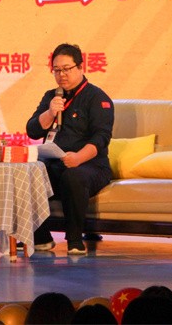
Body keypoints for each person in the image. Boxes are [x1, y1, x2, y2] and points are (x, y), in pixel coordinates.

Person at [26, 43, 113, 255]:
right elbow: (32, 130)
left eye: (66, 69)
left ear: (80, 67)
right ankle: (41, 238)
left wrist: (79, 158)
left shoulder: (97, 98)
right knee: (28, 173)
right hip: (55, 163)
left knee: (73, 176)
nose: (61, 75)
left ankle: (75, 240)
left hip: (90, 165)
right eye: (57, 70)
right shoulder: (51, 96)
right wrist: (50, 113)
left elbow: (101, 138)